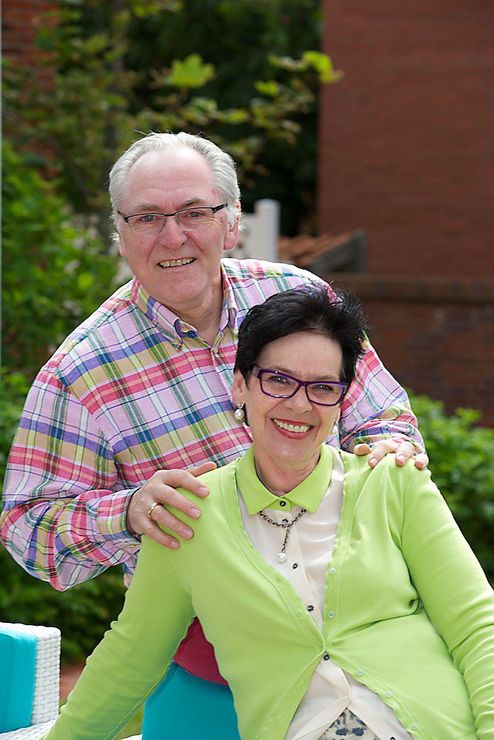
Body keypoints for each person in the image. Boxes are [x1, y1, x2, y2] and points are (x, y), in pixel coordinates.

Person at [1, 132, 427, 738]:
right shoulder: (80, 371)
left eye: (194, 213)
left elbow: (388, 420)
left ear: (231, 224)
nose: (172, 237)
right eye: (147, 217)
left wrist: (389, 453)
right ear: (118, 233)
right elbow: (28, 531)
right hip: (211, 667)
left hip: (363, 637)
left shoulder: (300, 300)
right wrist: (129, 512)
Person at [43, 285, 494, 740]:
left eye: (322, 388)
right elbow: (131, 657)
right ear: (240, 385)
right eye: (278, 380)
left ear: (343, 401)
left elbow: (476, 626)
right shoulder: (188, 514)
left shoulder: (391, 481)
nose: (299, 404)